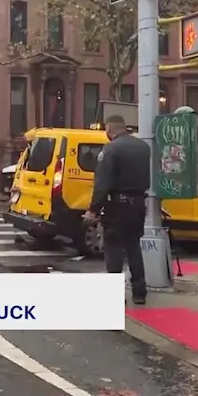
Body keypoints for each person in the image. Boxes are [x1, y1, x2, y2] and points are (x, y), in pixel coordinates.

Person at [83, 115, 150, 305]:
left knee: (113, 249)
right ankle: (139, 292)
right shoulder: (143, 147)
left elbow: (103, 183)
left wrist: (93, 209)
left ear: (109, 128)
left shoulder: (111, 149)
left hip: (118, 206)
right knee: (134, 247)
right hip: (138, 204)